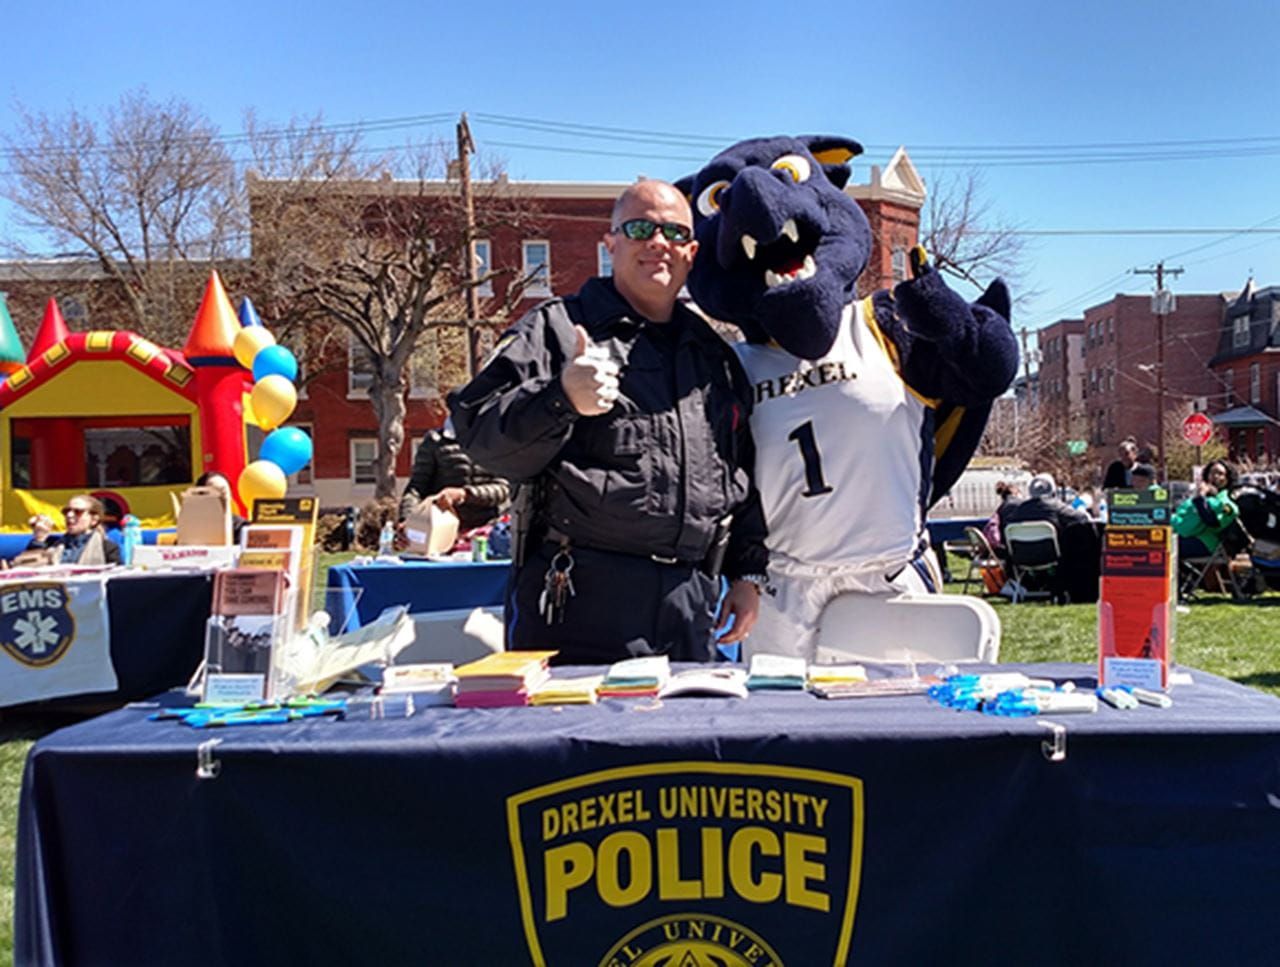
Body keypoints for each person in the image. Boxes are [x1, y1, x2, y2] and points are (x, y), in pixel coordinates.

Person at [449, 179, 767, 664]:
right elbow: (479, 435)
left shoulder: (714, 358)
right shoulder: (555, 330)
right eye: (640, 228)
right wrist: (560, 398)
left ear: (692, 251)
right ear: (610, 244)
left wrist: (747, 572)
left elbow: (739, 472)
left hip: (691, 604)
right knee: (581, 742)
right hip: (581, 604)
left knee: (686, 740)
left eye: (674, 233)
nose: (658, 243)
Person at [1001, 473, 1099, 601]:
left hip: (1021, 559)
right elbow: (1081, 518)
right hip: (1052, 557)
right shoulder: (1055, 506)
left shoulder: (1018, 511)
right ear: (1053, 490)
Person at [397, 424, 510, 532]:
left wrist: (464, 494)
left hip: (488, 531)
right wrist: (407, 520)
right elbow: (416, 490)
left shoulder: (495, 441)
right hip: (441, 530)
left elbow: (503, 488)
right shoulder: (435, 441)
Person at [1173, 459, 1241, 559]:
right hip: (1183, 535)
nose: (1215, 476)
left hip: (1204, 542)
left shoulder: (1227, 502)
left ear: (1228, 479)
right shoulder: (1203, 497)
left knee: (1165, 549)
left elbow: (1212, 521)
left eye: (1220, 473)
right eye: (1212, 473)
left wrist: (1201, 497)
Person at [55, 495, 121, 565]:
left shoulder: (107, 549)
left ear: (94, 520)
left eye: (78, 511)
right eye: (66, 511)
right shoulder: (53, 546)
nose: (69, 515)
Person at [196, 471, 246, 542]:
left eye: (224, 491)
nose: (221, 496)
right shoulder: (193, 527)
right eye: (215, 491)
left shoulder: (241, 527)